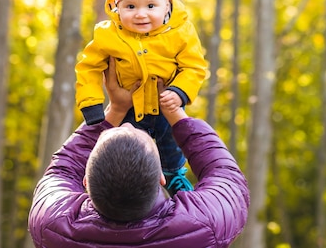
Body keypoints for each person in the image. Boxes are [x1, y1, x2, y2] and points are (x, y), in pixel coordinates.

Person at [28, 59, 250, 247]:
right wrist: (173, 112)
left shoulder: (53, 224)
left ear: (86, 180)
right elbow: (226, 175)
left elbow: (62, 170)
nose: (128, 125)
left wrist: (115, 110)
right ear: (161, 178)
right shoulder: (203, 225)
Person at [75, 0, 208, 195]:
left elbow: (195, 66)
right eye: (130, 6)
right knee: (122, 155)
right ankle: (101, 186)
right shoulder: (108, 35)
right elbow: (88, 67)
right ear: (117, 6)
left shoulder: (180, 32)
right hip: (129, 110)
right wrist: (92, 105)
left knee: (173, 147)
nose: (140, 13)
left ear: (166, 4)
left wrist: (179, 92)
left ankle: (175, 178)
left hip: (166, 105)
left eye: (151, 5)